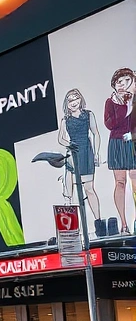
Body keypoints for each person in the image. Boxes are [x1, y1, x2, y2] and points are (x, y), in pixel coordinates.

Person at [59, 89, 105, 235]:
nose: (73, 103)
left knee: (89, 188)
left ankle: (99, 223)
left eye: (75, 99)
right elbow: (60, 138)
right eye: (70, 100)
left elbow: (95, 133)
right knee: (69, 192)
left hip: (86, 152)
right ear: (67, 103)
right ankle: (72, 228)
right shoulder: (65, 120)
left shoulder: (88, 115)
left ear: (80, 100)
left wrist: (97, 153)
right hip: (73, 155)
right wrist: (69, 145)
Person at [103, 67, 136, 235]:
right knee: (120, 182)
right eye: (119, 82)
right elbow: (110, 124)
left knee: (134, 178)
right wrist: (122, 105)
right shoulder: (110, 102)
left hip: (132, 142)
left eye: (126, 81)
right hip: (116, 143)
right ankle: (124, 224)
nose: (122, 85)